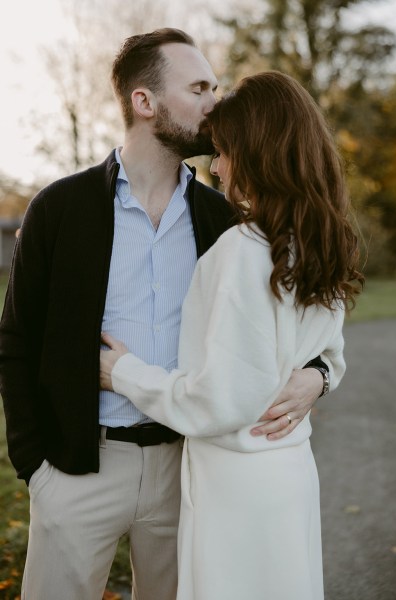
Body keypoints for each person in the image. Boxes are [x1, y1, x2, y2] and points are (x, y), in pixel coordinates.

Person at [0, 29, 328, 600]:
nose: (215, 103)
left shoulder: (226, 220)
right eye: (199, 87)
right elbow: (16, 339)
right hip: (81, 465)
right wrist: (37, 468)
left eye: (215, 87)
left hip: (191, 469)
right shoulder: (60, 207)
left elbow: (290, 319)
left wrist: (320, 373)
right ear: (143, 102)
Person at [99, 70, 364, 600]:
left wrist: (121, 372)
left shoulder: (242, 253)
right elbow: (327, 350)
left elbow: (212, 403)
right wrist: (321, 373)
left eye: (222, 152)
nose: (215, 168)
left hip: (238, 486)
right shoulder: (319, 242)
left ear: (259, 153)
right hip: (290, 474)